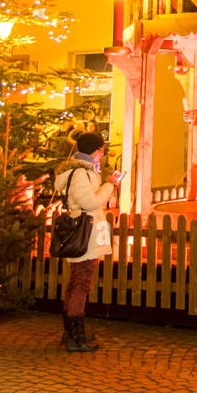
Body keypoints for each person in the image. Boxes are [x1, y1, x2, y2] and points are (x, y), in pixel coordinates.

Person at [56, 132, 116, 353]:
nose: (102, 154)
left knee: (76, 282)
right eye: (101, 149)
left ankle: (71, 331)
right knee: (81, 284)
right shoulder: (82, 173)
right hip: (86, 233)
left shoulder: (83, 171)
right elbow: (90, 203)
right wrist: (109, 186)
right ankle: (75, 337)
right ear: (95, 150)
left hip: (87, 232)